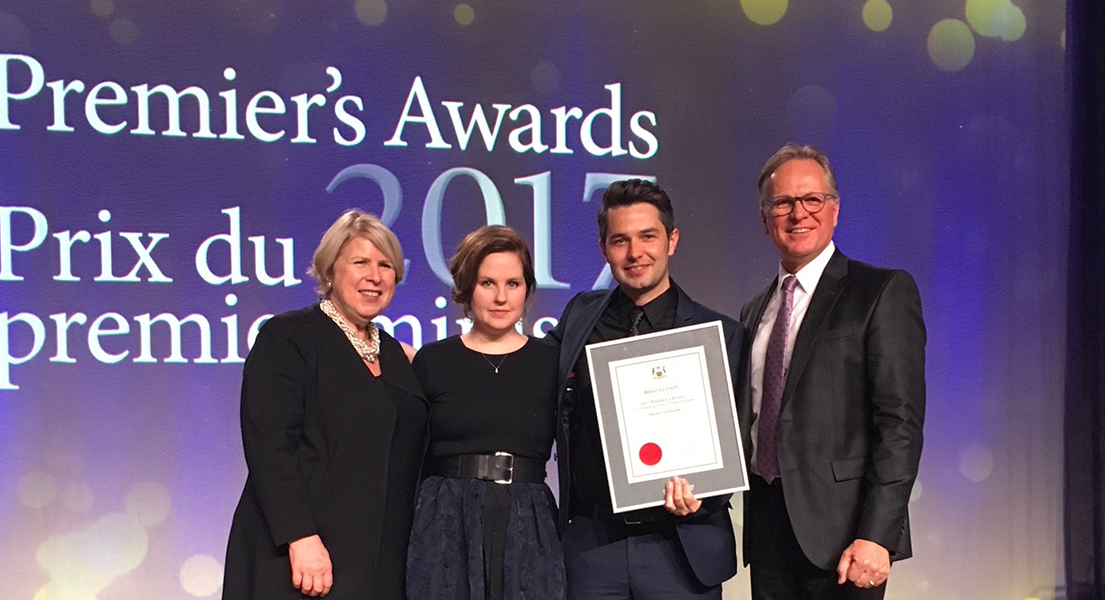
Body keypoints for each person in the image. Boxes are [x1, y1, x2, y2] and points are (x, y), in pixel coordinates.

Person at [739, 144, 925, 598]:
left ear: (834, 210)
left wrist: (878, 534)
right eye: (782, 202)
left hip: (845, 540)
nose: (797, 213)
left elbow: (899, 425)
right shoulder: (752, 311)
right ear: (765, 219)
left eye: (812, 199)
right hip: (768, 532)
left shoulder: (879, 292)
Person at [547, 179, 747, 599]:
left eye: (648, 237)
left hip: (681, 547)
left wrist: (705, 495)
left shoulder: (720, 335)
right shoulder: (580, 316)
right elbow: (526, 368)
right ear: (604, 249)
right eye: (620, 240)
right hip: (592, 547)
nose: (635, 253)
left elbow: (739, 438)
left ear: (672, 240)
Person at [222, 209, 428, 600]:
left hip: (379, 563)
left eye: (386, 265)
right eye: (361, 262)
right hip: (302, 558)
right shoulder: (290, 338)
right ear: (330, 271)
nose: (375, 276)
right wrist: (300, 537)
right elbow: (270, 447)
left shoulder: (401, 359)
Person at [406, 225, 566, 600]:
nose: (500, 297)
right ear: (466, 288)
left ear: (527, 289)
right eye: (487, 283)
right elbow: (409, 455)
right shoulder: (434, 361)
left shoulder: (551, 363)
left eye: (513, 283)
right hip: (445, 523)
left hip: (528, 520)